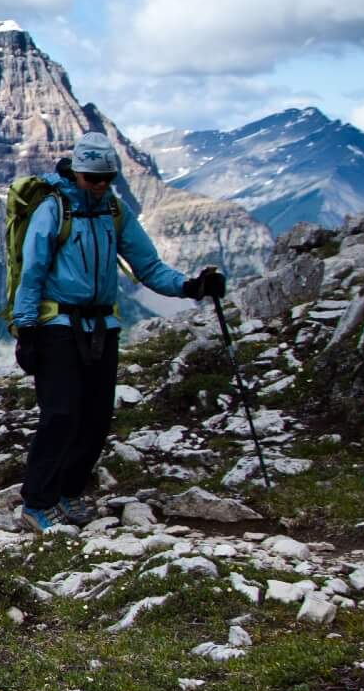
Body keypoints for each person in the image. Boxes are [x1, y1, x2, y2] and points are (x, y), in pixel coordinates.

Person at [11, 131, 224, 530]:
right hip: (56, 325)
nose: (102, 184)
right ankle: (36, 503)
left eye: (108, 177)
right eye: (94, 178)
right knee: (61, 413)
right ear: (76, 174)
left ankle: (68, 492)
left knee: (96, 417)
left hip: (102, 327)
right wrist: (26, 332)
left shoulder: (114, 211)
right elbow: (32, 273)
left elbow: (148, 266)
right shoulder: (52, 211)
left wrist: (190, 287)